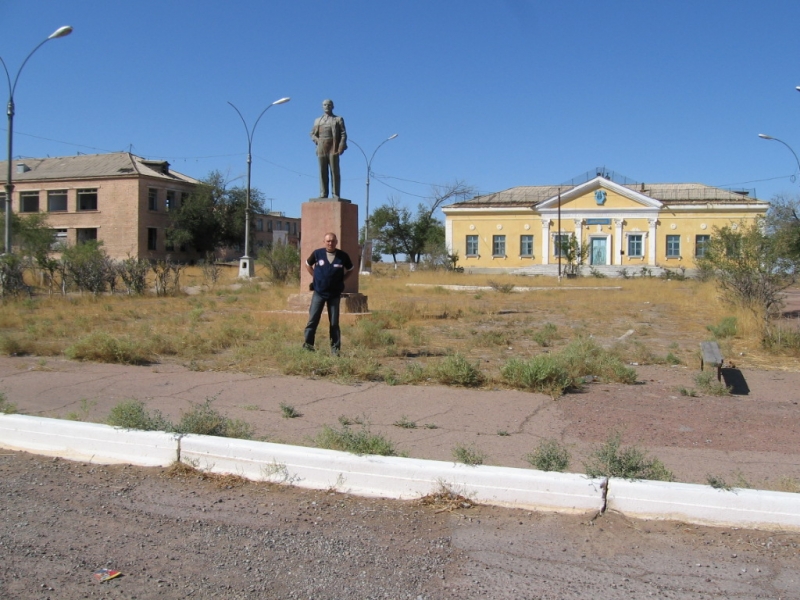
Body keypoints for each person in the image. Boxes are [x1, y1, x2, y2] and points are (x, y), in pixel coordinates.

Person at [303, 232, 354, 355]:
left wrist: (342, 279)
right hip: (319, 293)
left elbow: (351, 269)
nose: (330, 243)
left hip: (334, 294)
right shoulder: (317, 254)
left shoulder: (342, 256)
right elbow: (307, 264)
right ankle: (308, 347)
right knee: (312, 321)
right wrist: (315, 276)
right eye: (328, 241)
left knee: (334, 323)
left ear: (336, 242)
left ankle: (335, 350)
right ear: (324, 242)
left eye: (332, 241)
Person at [310, 99, 347, 199]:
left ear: (332, 106)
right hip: (321, 146)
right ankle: (323, 193)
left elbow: (343, 134)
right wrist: (317, 140)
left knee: (334, 171)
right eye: (325, 105)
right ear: (322, 106)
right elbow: (312, 134)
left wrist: (341, 145)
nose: (327, 106)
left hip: (333, 146)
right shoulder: (318, 120)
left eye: (329, 105)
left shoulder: (338, 119)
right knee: (322, 171)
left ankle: (335, 193)